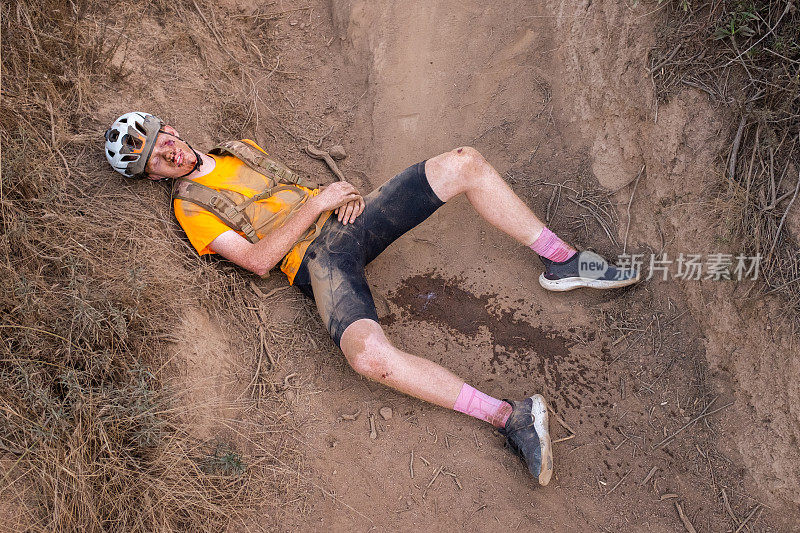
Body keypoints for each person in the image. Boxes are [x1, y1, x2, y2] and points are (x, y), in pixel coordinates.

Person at [104, 111, 640, 486]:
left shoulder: (239, 148)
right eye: (152, 161)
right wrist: (316, 209)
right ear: (151, 176)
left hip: (347, 222)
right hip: (318, 264)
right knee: (367, 358)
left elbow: (298, 190)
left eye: (159, 140)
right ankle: (511, 417)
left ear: (168, 127)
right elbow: (257, 260)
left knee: (463, 162)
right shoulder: (189, 208)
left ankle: (562, 259)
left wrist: (344, 196)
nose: (166, 154)